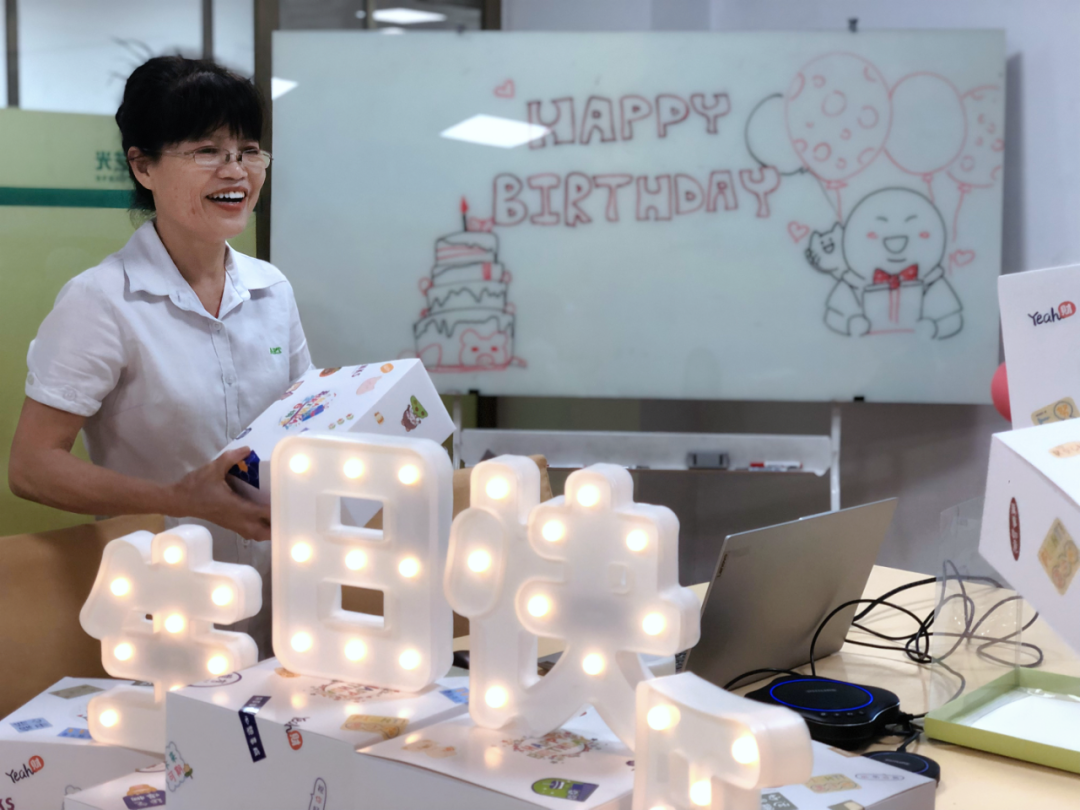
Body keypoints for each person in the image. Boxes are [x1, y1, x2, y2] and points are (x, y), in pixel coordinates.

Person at [8, 56, 311, 655]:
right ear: (143, 166)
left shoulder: (272, 289)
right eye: (206, 150)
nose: (236, 171)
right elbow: (32, 466)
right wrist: (178, 500)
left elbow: (303, 423)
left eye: (249, 151)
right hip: (167, 617)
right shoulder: (101, 301)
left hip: (284, 605)